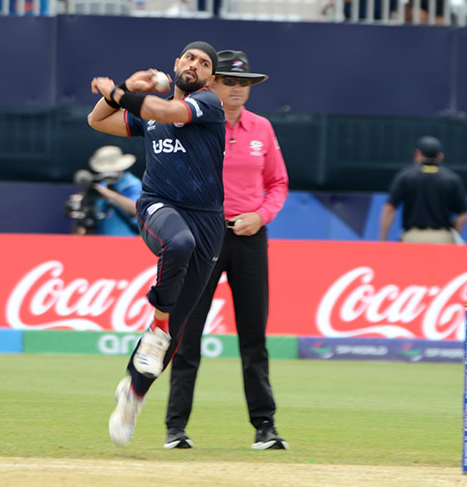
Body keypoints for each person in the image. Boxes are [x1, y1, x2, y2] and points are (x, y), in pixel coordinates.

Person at [87, 41, 226, 447]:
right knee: (177, 243)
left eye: (204, 64)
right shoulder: (149, 112)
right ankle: (157, 327)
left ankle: (132, 393)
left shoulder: (208, 104)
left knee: (175, 334)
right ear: (176, 64)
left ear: (209, 78)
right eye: (190, 59)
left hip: (208, 223)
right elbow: (98, 121)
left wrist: (119, 91)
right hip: (158, 207)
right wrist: (128, 87)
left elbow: (163, 111)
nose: (196, 66)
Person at [164, 50, 290, 451]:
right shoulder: (194, 122)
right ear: (211, 84)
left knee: (254, 335)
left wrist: (261, 215)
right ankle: (175, 428)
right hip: (203, 235)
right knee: (188, 334)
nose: (237, 90)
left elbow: (278, 184)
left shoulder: (262, 129)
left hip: (249, 237)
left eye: (244, 83)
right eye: (229, 82)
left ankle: (265, 427)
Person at [379, 135, 467, 244]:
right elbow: (462, 216)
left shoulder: (405, 176)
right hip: (442, 239)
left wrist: (383, 240)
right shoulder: (452, 178)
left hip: (412, 239)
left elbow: (389, 209)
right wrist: (453, 234)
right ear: (440, 157)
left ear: (417, 154)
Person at [70, 146, 142, 236]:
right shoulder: (100, 184)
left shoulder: (131, 184)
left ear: (119, 168)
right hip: (101, 241)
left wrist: (110, 194)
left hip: (125, 240)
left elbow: (137, 209)